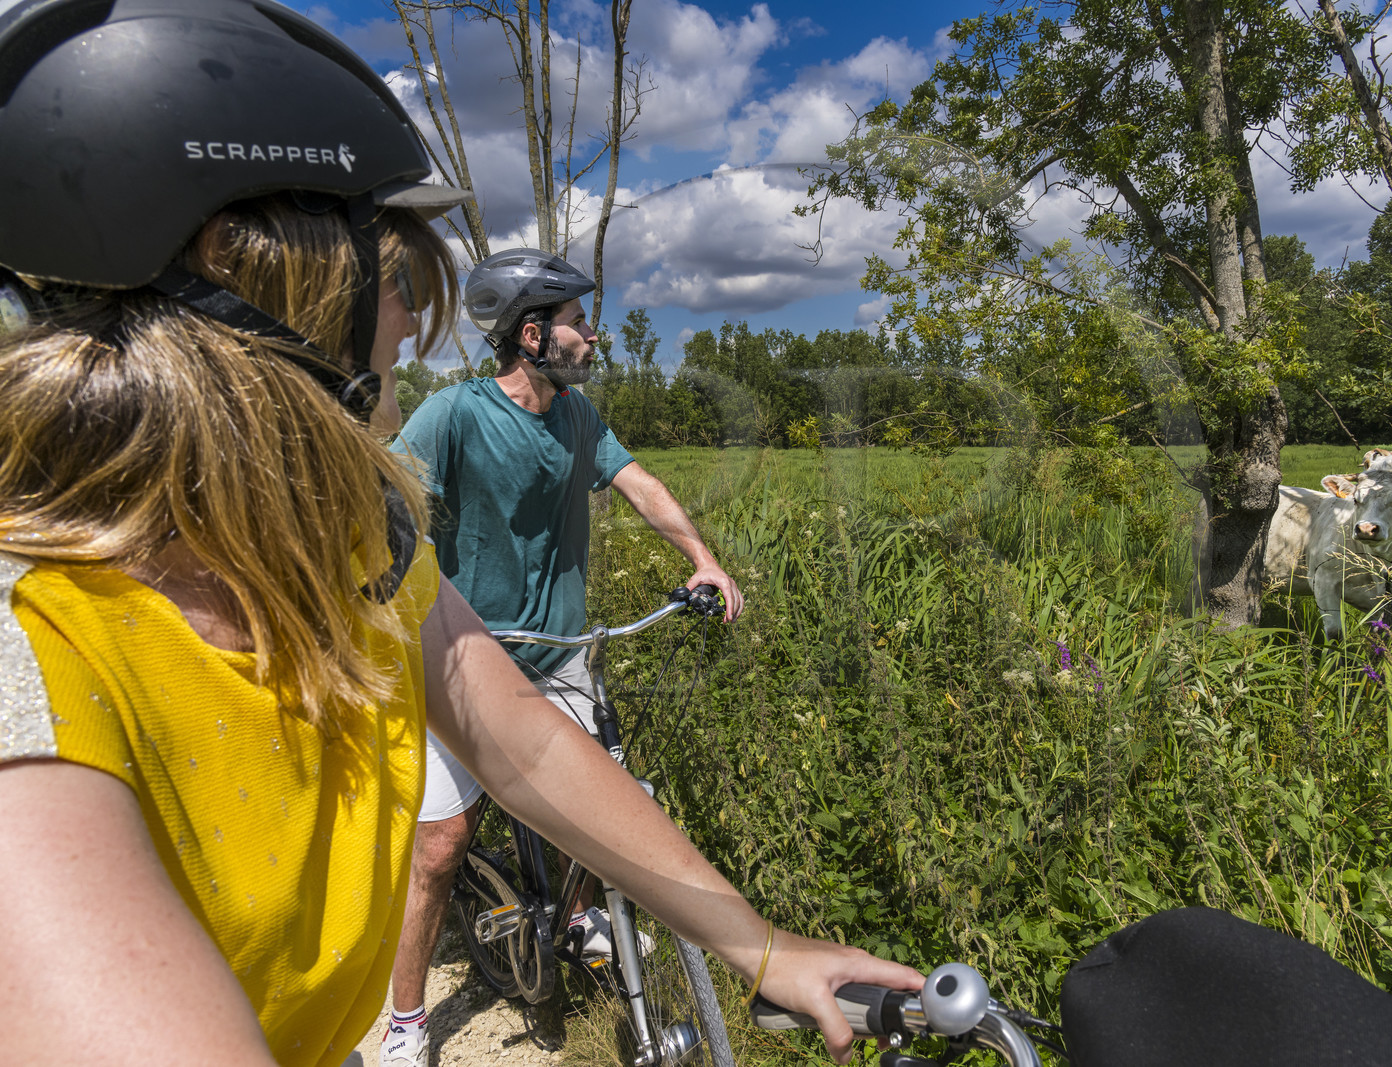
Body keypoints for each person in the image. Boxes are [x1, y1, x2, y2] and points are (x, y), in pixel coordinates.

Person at [0, 4, 923, 1067]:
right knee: (438, 842)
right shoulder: (38, 645)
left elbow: (520, 736)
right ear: (251, 275)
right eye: (393, 283)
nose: (410, 324)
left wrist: (754, 941)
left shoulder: (357, 545)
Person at [382, 247, 745, 1063]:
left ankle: (578, 916)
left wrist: (704, 556)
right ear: (535, 334)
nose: (595, 334)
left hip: (563, 656)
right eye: (581, 321)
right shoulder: (456, 415)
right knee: (439, 847)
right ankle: (406, 1022)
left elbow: (640, 482)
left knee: (601, 812)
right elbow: (386, 504)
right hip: (465, 667)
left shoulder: (578, 419)